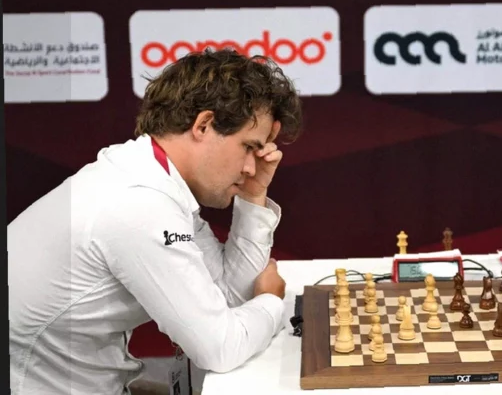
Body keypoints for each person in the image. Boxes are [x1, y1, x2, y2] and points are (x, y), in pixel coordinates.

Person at [8, 48, 303, 395]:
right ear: (203, 125)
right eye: (248, 147)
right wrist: (270, 301)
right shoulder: (139, 202)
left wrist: (253, 196)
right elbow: (220, 349)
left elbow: (228, 299)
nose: (252, 167)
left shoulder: (151, 177)